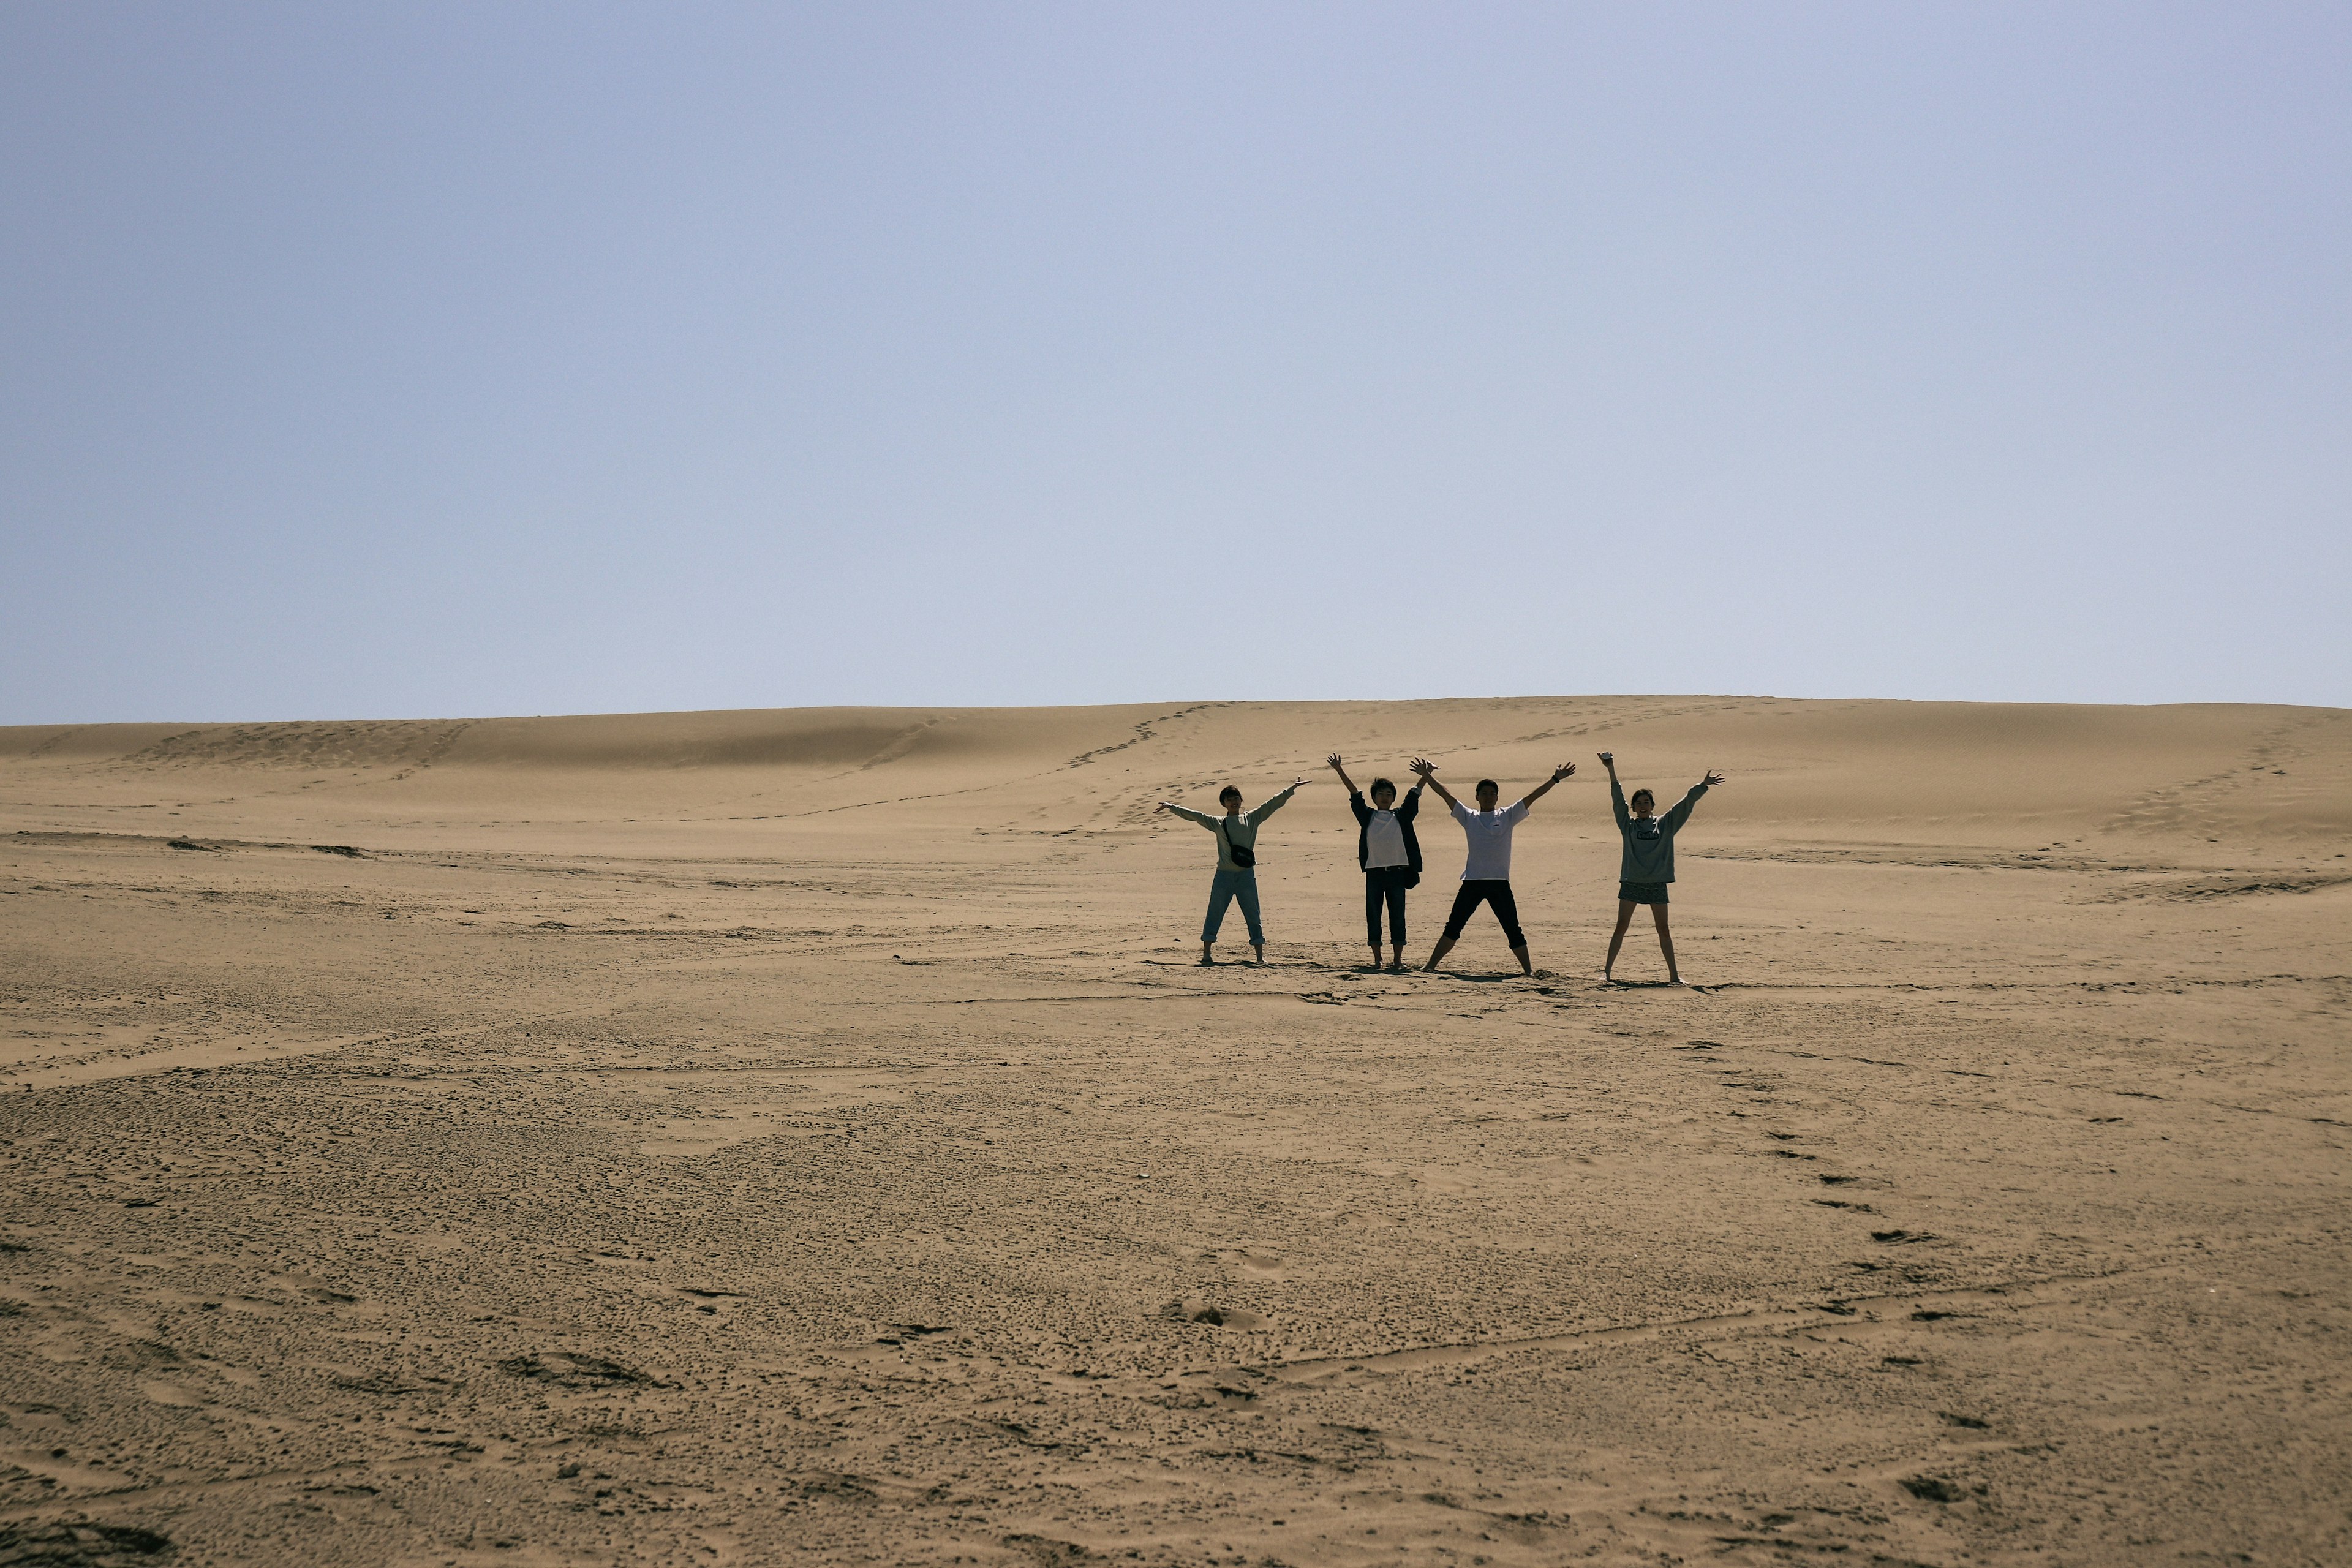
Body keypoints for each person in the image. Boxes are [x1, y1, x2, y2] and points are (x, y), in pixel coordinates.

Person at [1411, 756, 1575, 976]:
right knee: (1453, 927)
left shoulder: (1508, 815)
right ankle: (1430, 966)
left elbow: (1532, 797)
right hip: (1472, 882)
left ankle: (1528, 971)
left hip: (1499, 883)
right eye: (1484, 793)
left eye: (1492, 793)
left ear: (1497, 797)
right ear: (1477, 797)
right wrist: (1427, 775)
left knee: (1513, 929)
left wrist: (1555, 779)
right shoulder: (1469, 816)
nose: (1488, 797)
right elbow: (1446, 795)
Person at [1599, 752, 1727, 984]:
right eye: (1639, 803)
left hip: (1657, 883)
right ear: (1635, 808)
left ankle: (1674, 976)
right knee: (1621, 927)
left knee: (1664, 930)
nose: (1643, 806)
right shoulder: (1628, 825)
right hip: (1632, 882)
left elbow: (1685, 803)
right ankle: (1606, 973)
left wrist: (1703, 785)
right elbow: (1618, 801)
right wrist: (1611, 769)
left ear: (1652, 805)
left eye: (1646, 802)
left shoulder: (1665, 824)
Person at [1156, 777, 1308, 965]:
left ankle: (1260, 957)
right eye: (1229, 799)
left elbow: (1272, 804)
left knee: (1253, 915)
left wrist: (1291, 788)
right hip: (1224, 876)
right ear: (1224, 804)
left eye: (1236, 798)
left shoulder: (1252, 818)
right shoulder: (1218, 823)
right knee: (1214, 913)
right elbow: (1197, 816)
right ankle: (1207, 955)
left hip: (1246, 876)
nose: (1234, 802)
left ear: (1241, 800)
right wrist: (1172, 807)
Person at [1327, 753, 1423, 971]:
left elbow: (1414, 796)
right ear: (1374, 797)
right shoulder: (1367, 816)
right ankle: (1378, 959)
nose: (1385, 797)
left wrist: (1425, 776)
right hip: (1375, 874)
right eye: (1381, 793)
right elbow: (1354, 795)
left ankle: (1398, 960)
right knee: (1374, 916)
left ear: (1393, 798)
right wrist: (1339, 770)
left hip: (1398, 873)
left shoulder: (1401, 816)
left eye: (1389, 794)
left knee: (1398, 917)